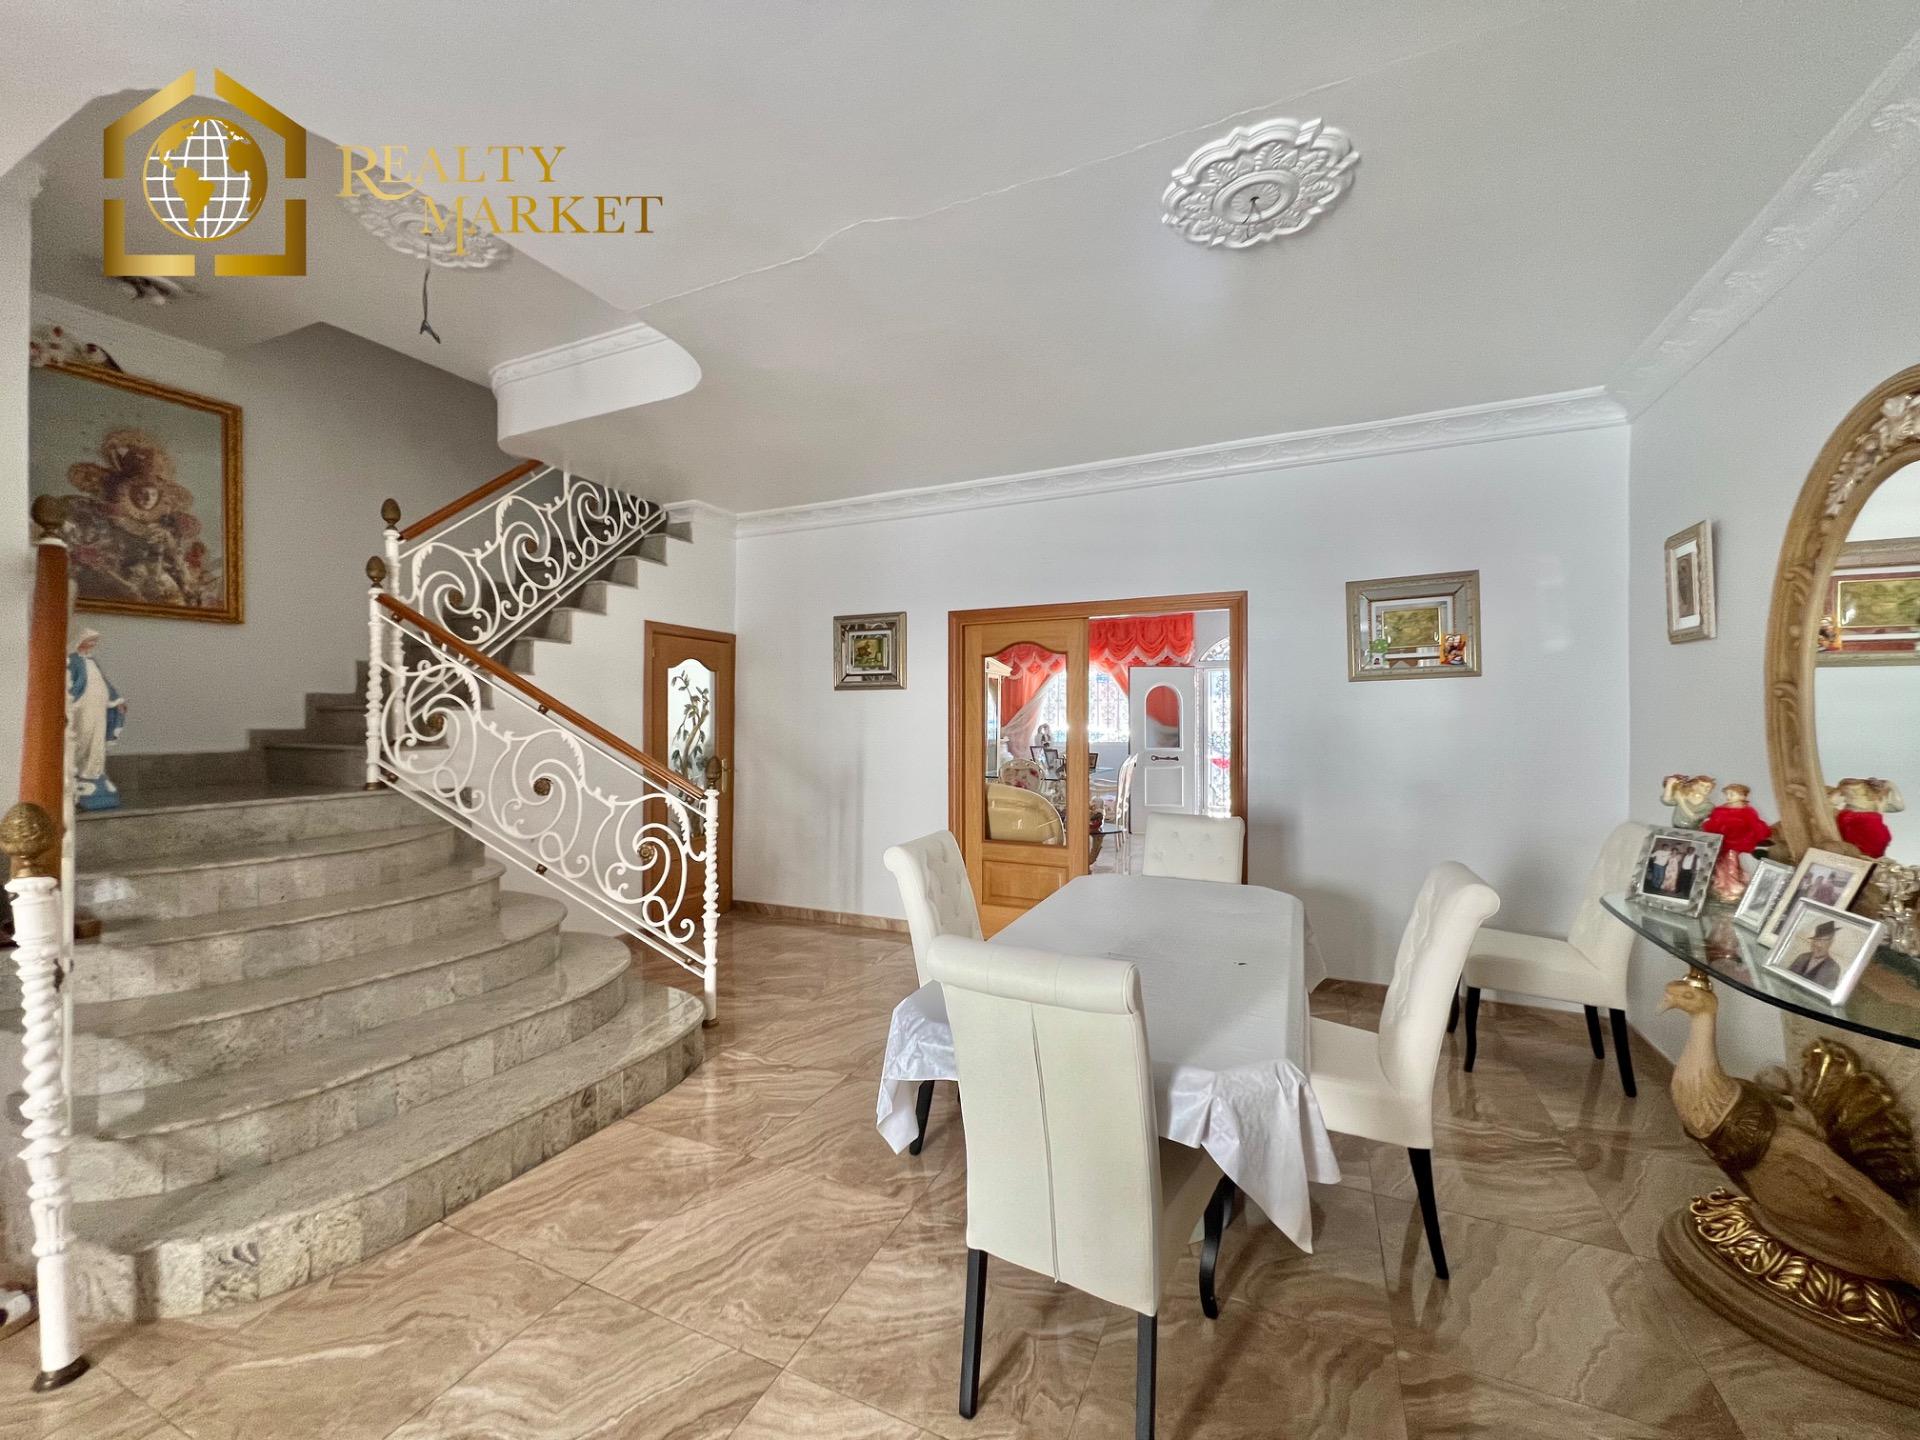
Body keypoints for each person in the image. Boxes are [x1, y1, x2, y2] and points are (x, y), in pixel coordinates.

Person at [69, 628, 127, 811]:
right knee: (83, 736)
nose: (93, 645)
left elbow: (104, 683)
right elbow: (69, 684)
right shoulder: (73, 661)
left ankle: (93, 772)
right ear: (80, 642)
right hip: (83, 706)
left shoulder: (92, 661)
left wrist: (117, 700)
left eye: (95, 641)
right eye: (90, 641)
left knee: (97, 739)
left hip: (99, 708)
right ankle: (79, 772)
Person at [1786, 919, 1844, 991]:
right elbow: (1785, 977)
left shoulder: (1833, 968)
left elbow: (1826, 993)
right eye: (1816, 940)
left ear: (1830, 943)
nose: (1818, 945)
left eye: (1823, 941)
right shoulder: (1802, 957)